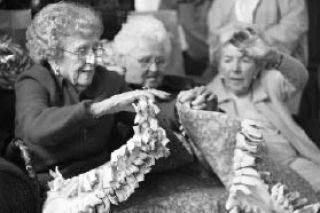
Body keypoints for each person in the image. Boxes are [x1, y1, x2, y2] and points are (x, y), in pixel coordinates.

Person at [12, 1, 213, 187]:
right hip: (49, 185)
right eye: (82, 51)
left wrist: (181, 107)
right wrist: (99, 108)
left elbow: (147, 114)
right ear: (54, 53)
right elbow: (35, 129)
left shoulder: (108, 80)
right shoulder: (34, 81)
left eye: (95, 49)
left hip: (101, 180)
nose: (92, 60)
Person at [206, 24, 320, 192]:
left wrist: (272, 56)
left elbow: (300, 77)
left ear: (257, 67)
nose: (235, 69)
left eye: (245, 60)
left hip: (293, 163)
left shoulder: (268, 83)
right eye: (228, 60)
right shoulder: (208, 99)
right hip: (253, 176)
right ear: (219, 67)